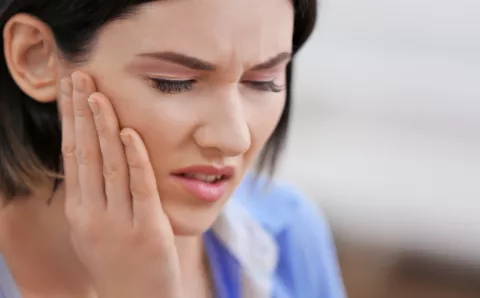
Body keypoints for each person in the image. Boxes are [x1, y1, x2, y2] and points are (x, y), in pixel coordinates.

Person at [0, 0, 346, 297]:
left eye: (263, 81)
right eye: (174, 82)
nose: (234, 138)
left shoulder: (289, 236)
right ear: (35, 56)